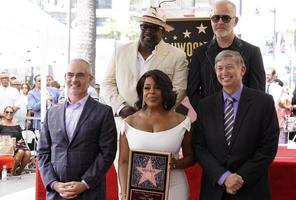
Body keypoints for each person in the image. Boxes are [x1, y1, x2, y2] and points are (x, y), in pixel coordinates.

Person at [192, 50, 279, 200]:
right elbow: (199, 146)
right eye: (219, 68)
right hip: (215, 190)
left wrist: (240, 177)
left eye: (229, 67)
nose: (224, 72)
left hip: (251, 189)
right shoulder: (205, 106)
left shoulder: (264, 102)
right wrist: (224, 177)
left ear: (242, 70)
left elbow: (268, 146)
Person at [37, 58, 117, 200]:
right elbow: (43, 152)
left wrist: (85, 183)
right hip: (57, 194)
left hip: (90, 193)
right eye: (70, 75)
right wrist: (54, 184)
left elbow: (107, 152)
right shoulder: (52, 112)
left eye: (80, 75)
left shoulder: (103, 112)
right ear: (65, 78)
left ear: (90, 79)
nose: (74, 79)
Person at [118, 70, 194, 200]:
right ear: (142, 93)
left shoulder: (183, 122)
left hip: (174, 189)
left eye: (158, 88)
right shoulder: (128, 123)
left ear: (166, 92)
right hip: (137, 192)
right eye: (147, 88)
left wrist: (175, 164)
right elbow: (123, 162)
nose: (152, 92)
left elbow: (191, 157)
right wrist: (125, 194)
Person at [102, 7, 188, 119]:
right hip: (124, 121)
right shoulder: (120, 51)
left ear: (163, 32)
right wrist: (121, 107)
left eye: (154, 28)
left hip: (159, 123)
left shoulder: (177, 56)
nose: (148, 31)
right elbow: (107, 83)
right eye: (144, 26)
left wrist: (155, 112)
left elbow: (179, 90)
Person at [187, 0, 265, 109]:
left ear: (235, 21)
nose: (220, 22)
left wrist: (244, 115)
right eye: (215, 18)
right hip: (210, 119)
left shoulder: (252, 52)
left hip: (243, 119)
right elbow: (192, 90)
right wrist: (206, 113)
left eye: (225, 18)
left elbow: (258, 91)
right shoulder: (200, 53)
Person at [0, 106, 31, 176]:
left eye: (11, 112)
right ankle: (12, 171)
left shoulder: (17, 125)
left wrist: (20, 142)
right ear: (4, 113)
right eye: (7, 112)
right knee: (21, 151)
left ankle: (19, 171)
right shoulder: (1, 125)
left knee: (28, 153)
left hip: (16, 144)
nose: (9, 114)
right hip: (4, 146)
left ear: (13, 114)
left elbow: (20, 138)